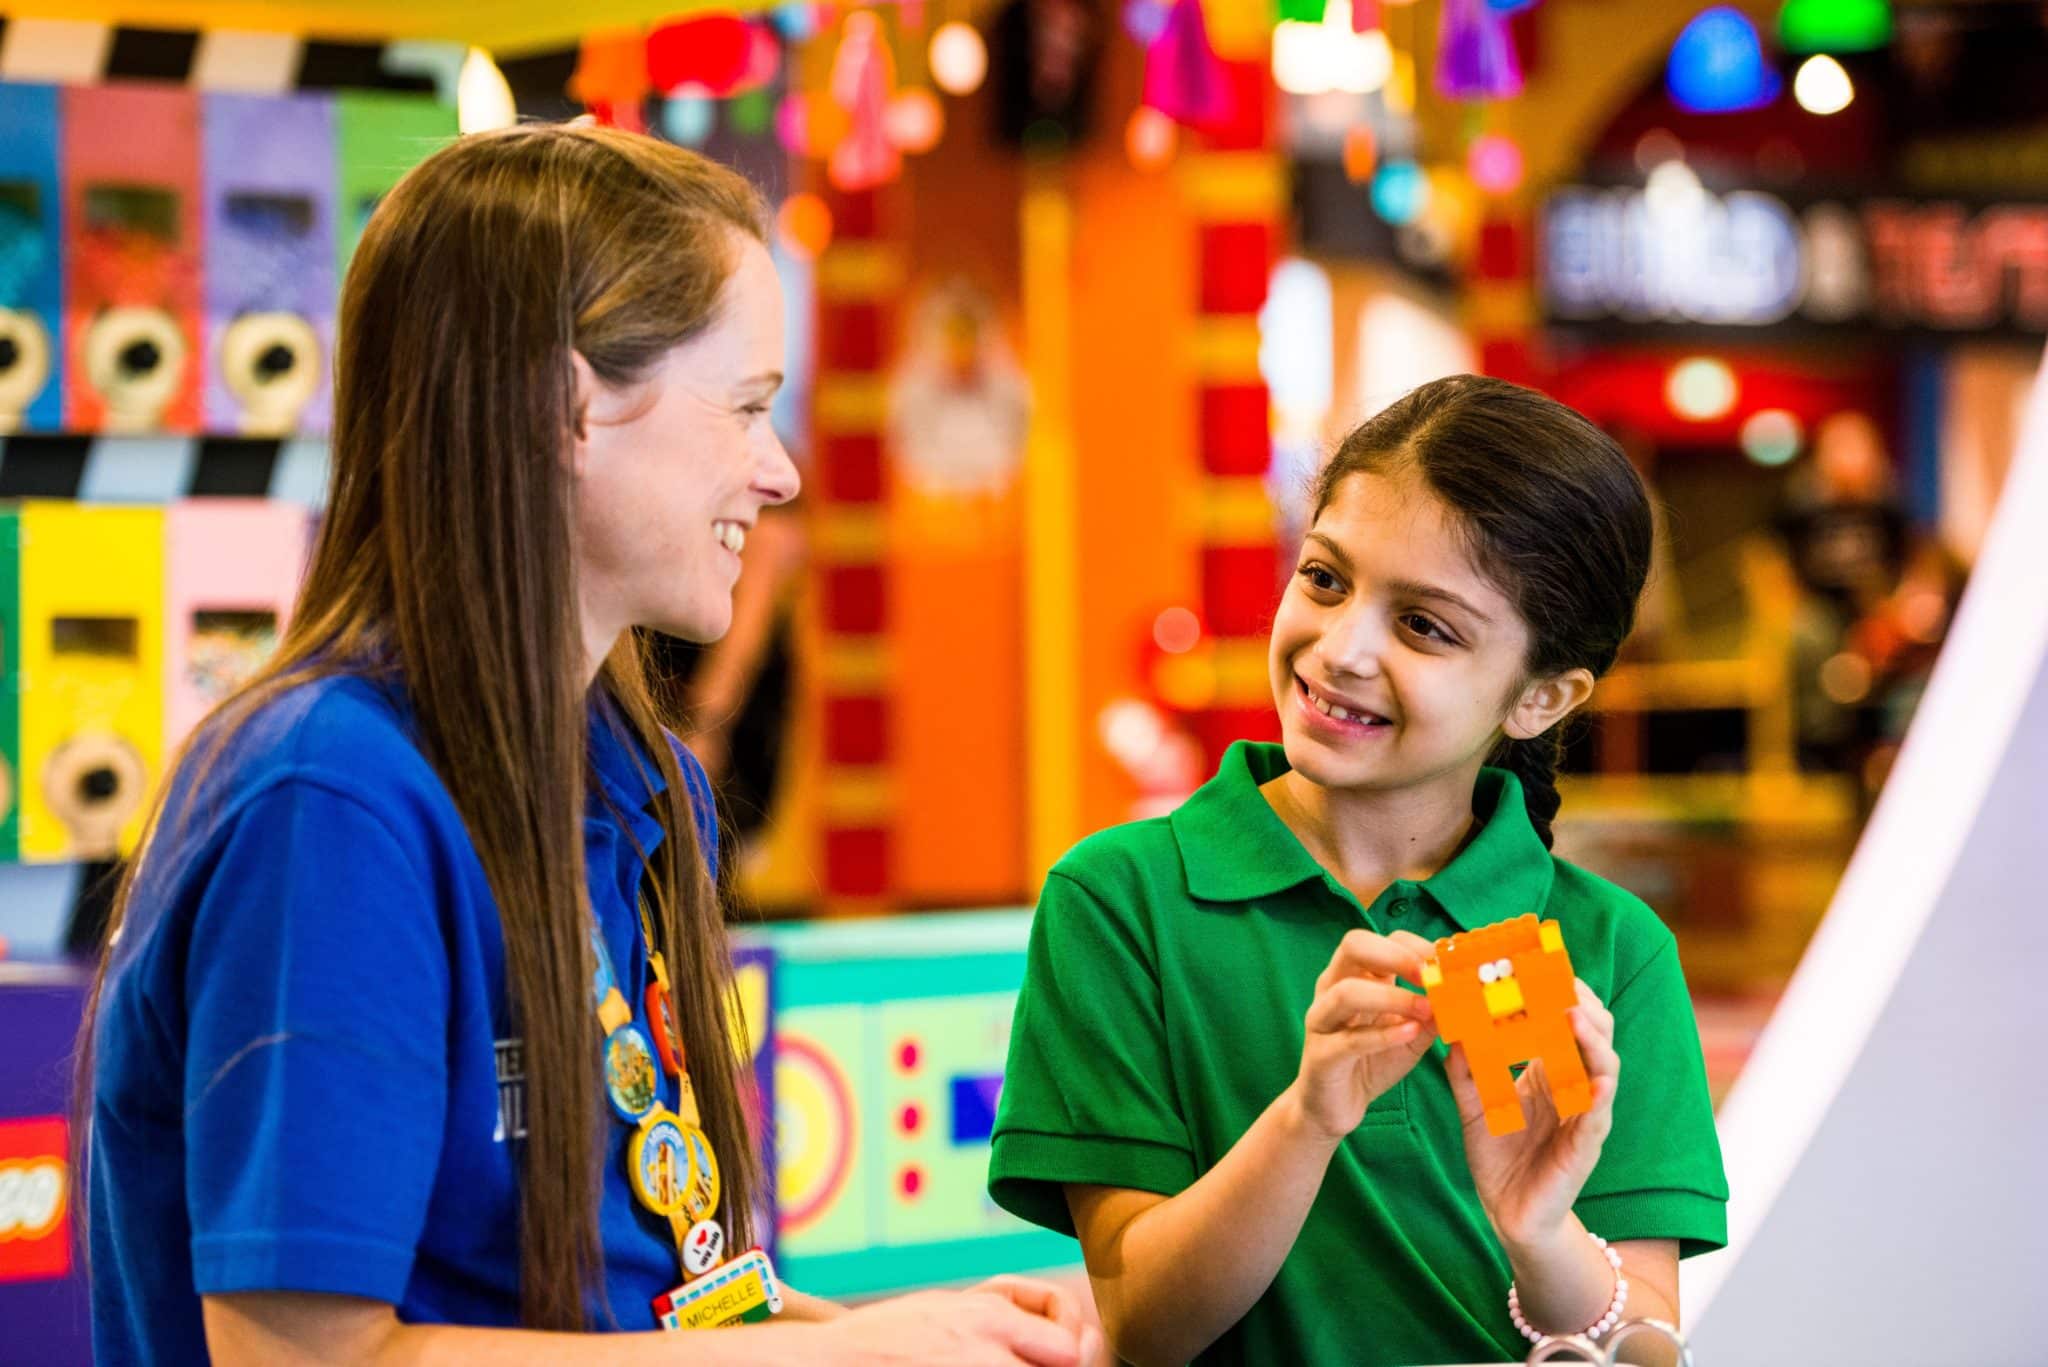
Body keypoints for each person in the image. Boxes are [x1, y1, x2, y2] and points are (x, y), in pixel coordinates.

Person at [78, 124, 1098, 1367]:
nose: (778, 472)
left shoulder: (631, 777)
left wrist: (916, 1332)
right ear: (569, 406)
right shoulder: (331, 797)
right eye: (746, 407)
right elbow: (301, 1357)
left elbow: (657, 1296)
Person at [989, 375, 1728, 1365]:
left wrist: (1541, 1231)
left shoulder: (1607, 949)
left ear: (1542, 697)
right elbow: (1143, 1326)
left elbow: (1646, 1353)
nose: (1340, 648)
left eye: (1425, 625)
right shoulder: (1123, 900)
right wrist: (1306, 1119)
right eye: (1325, 578)